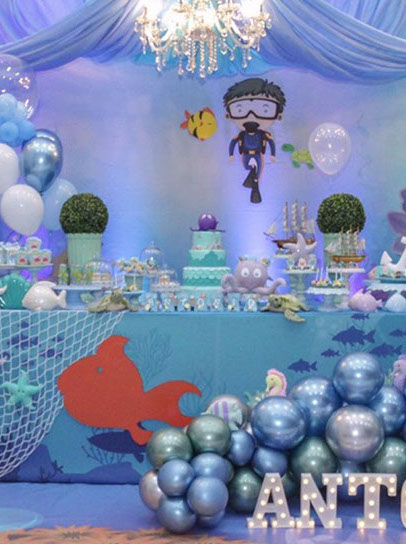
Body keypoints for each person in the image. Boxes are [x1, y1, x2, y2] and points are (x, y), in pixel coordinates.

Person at [224, 78, 286, 203]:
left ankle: (255, 188)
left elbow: (271, 143)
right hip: (246, 156)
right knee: (250, 169)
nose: (251, 116)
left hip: (258, 155)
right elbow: (233, 143)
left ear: (278, 116)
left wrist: (273, 155)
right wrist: (231, 155)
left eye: (265, 110)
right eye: (240, 109)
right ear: (228, 115)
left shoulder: (263, 134)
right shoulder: (241, 135)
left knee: (256, 173)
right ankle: (253, 184)